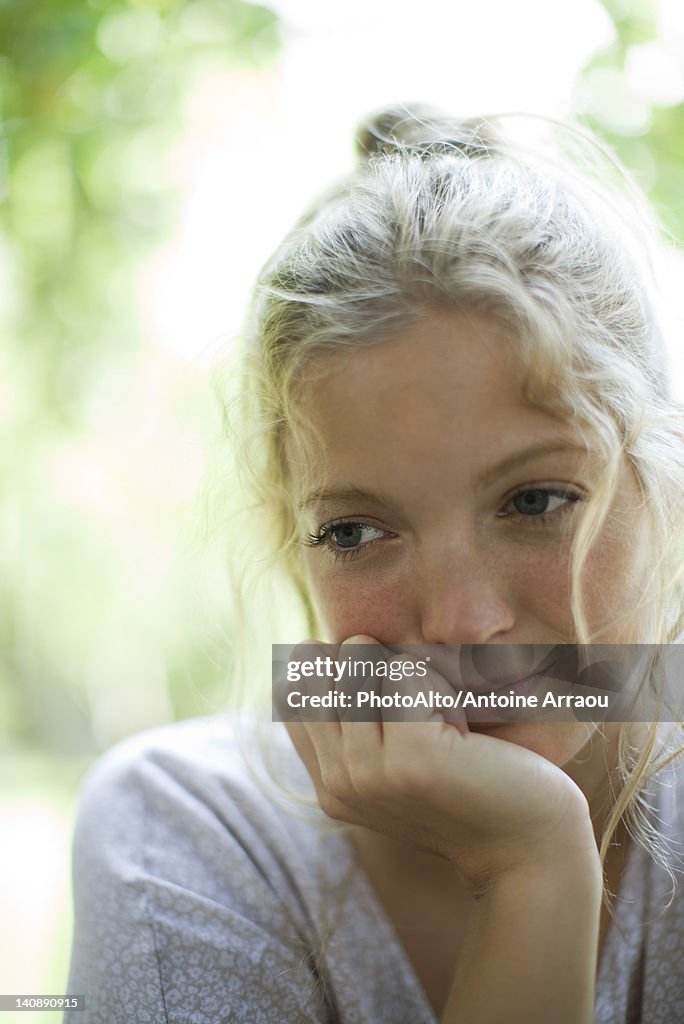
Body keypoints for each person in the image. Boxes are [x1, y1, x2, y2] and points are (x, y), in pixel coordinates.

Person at [65, 106, 684, 1023]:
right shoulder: (182, 830)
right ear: (291, 537)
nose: (462, 623)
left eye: (537, 501)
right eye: (356, 532)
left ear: (660, 482)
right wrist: (532, 870)